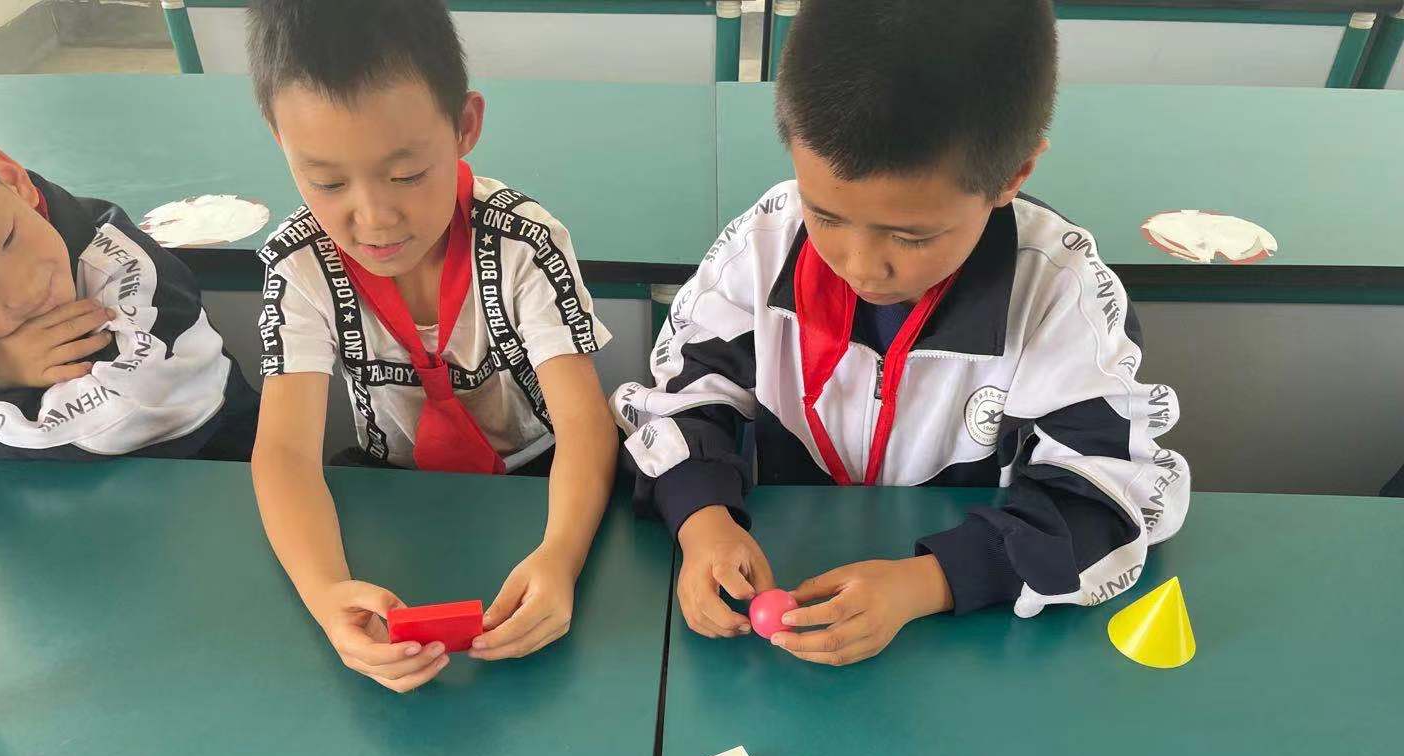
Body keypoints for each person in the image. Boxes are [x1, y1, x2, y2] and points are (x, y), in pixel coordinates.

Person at [611, 0, 1190, 666]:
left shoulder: (1059, 295)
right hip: (791, 565)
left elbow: (1107, 497)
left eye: (912, 236)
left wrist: (930, 582)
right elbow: (683, 399)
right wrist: (703, 520)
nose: (862, 266)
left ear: (1012, 175)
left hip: (962, 637)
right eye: (826, 216)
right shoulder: (764, 245)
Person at [247, 0, 618, 691]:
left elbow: (585, 425)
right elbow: (285, 454)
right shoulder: (299, 265)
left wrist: (560, 555)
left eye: (408, 174)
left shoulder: (523, 242)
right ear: (280, 140)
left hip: (539, 478)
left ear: (464, 126)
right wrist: (326, 594)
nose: (374, 217)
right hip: (395, 490)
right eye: (327, 182)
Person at [0, 141, 256, 460]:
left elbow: (109, 423)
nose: (24, 292)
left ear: (13, 180)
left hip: (218, 472)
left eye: (8, 237)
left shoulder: (132, 272)